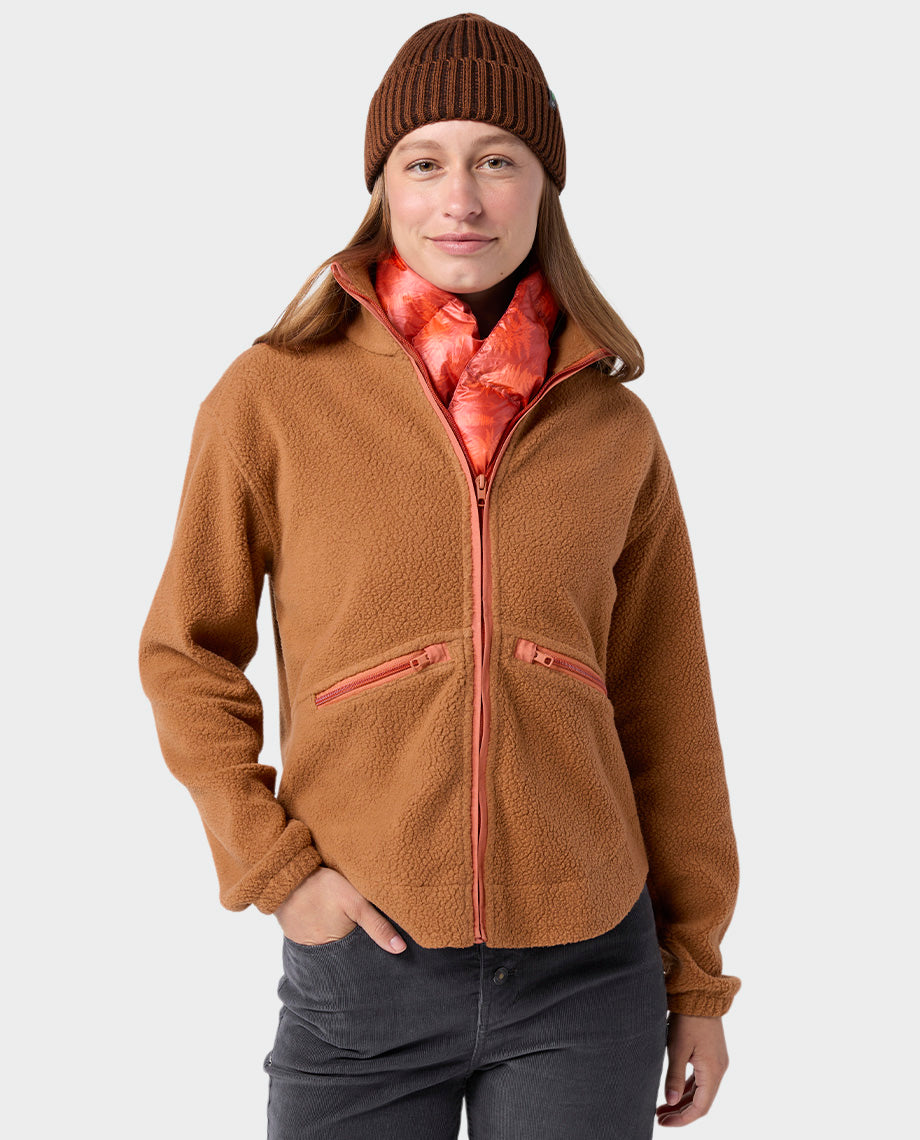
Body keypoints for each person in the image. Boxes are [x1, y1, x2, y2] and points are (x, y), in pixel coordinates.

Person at [138, 12, 741, 1139]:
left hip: (588, 972)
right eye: (424, 163)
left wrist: (696, 977)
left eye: (496, 161)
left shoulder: (613, 430)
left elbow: (668, 709)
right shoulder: (271, 397)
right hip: (364, 960)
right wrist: (278, 871)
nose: (459, 197)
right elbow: (186, 655)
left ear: (543, 186)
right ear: (383, 188)